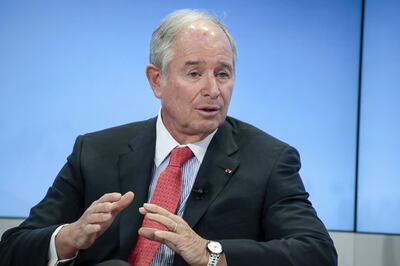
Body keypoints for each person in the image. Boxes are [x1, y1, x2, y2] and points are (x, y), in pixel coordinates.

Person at [0, 9, 337, 266]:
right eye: (194, 73)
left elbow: (317, 252)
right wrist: (69, 238)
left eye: (223, 74)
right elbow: (13, 247)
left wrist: (210, 254)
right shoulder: (95, 151)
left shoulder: (268, 160)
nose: (213, 90)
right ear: (156, 80)